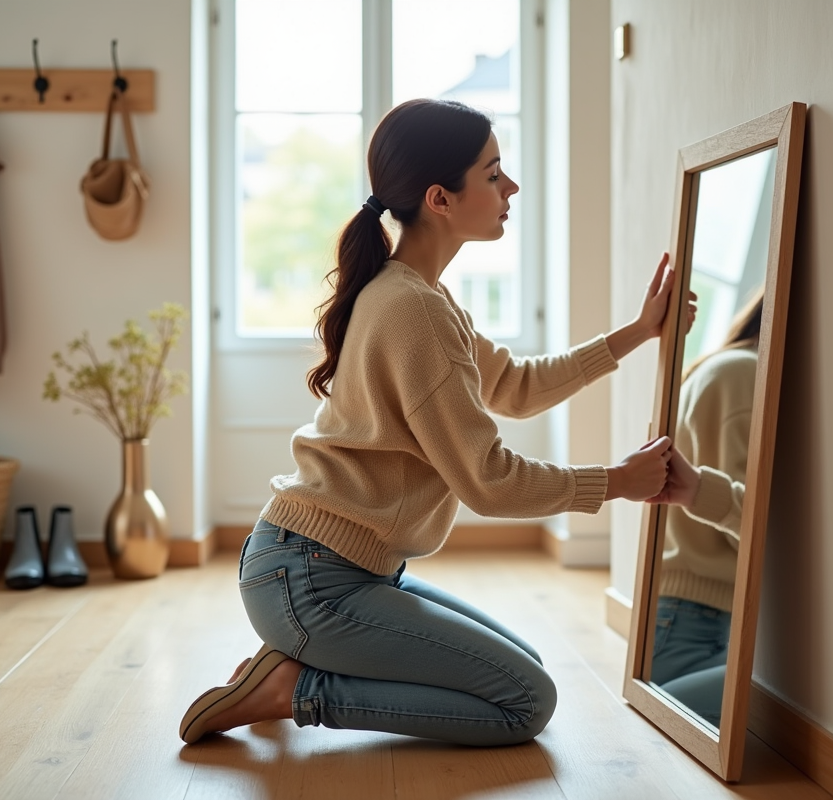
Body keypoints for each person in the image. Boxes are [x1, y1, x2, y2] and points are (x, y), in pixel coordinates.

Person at [179, 98, 684, 747]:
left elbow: (517, 386)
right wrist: (617, 481)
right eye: (495, 173)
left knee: (523, 671)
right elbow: (488, 482)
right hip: (310, 580)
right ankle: (294, 689)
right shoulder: (412, 308)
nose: (512, 187)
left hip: (327, 570)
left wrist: (638, 333)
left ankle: (290, 664)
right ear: (441, 198)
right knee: (526, 702)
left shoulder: (421, 296)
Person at [645, 292, 762, 726]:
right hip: (695, 621)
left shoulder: (733, 369)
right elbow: (755, 517)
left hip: (691, 615)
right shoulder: (744, 377)